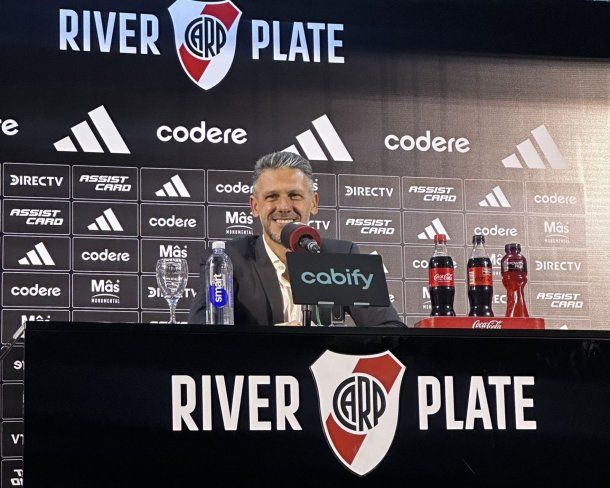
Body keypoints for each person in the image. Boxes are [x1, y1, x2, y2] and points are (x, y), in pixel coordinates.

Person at [189, 151, 404, 327]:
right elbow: (203, 330)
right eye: (272, 196)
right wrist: (273, 342)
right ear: (255, 206)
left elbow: (390, 329)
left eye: (295, 196)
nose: (283, 207)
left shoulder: (341, 255)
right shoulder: (228, 260)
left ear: (314, 203)